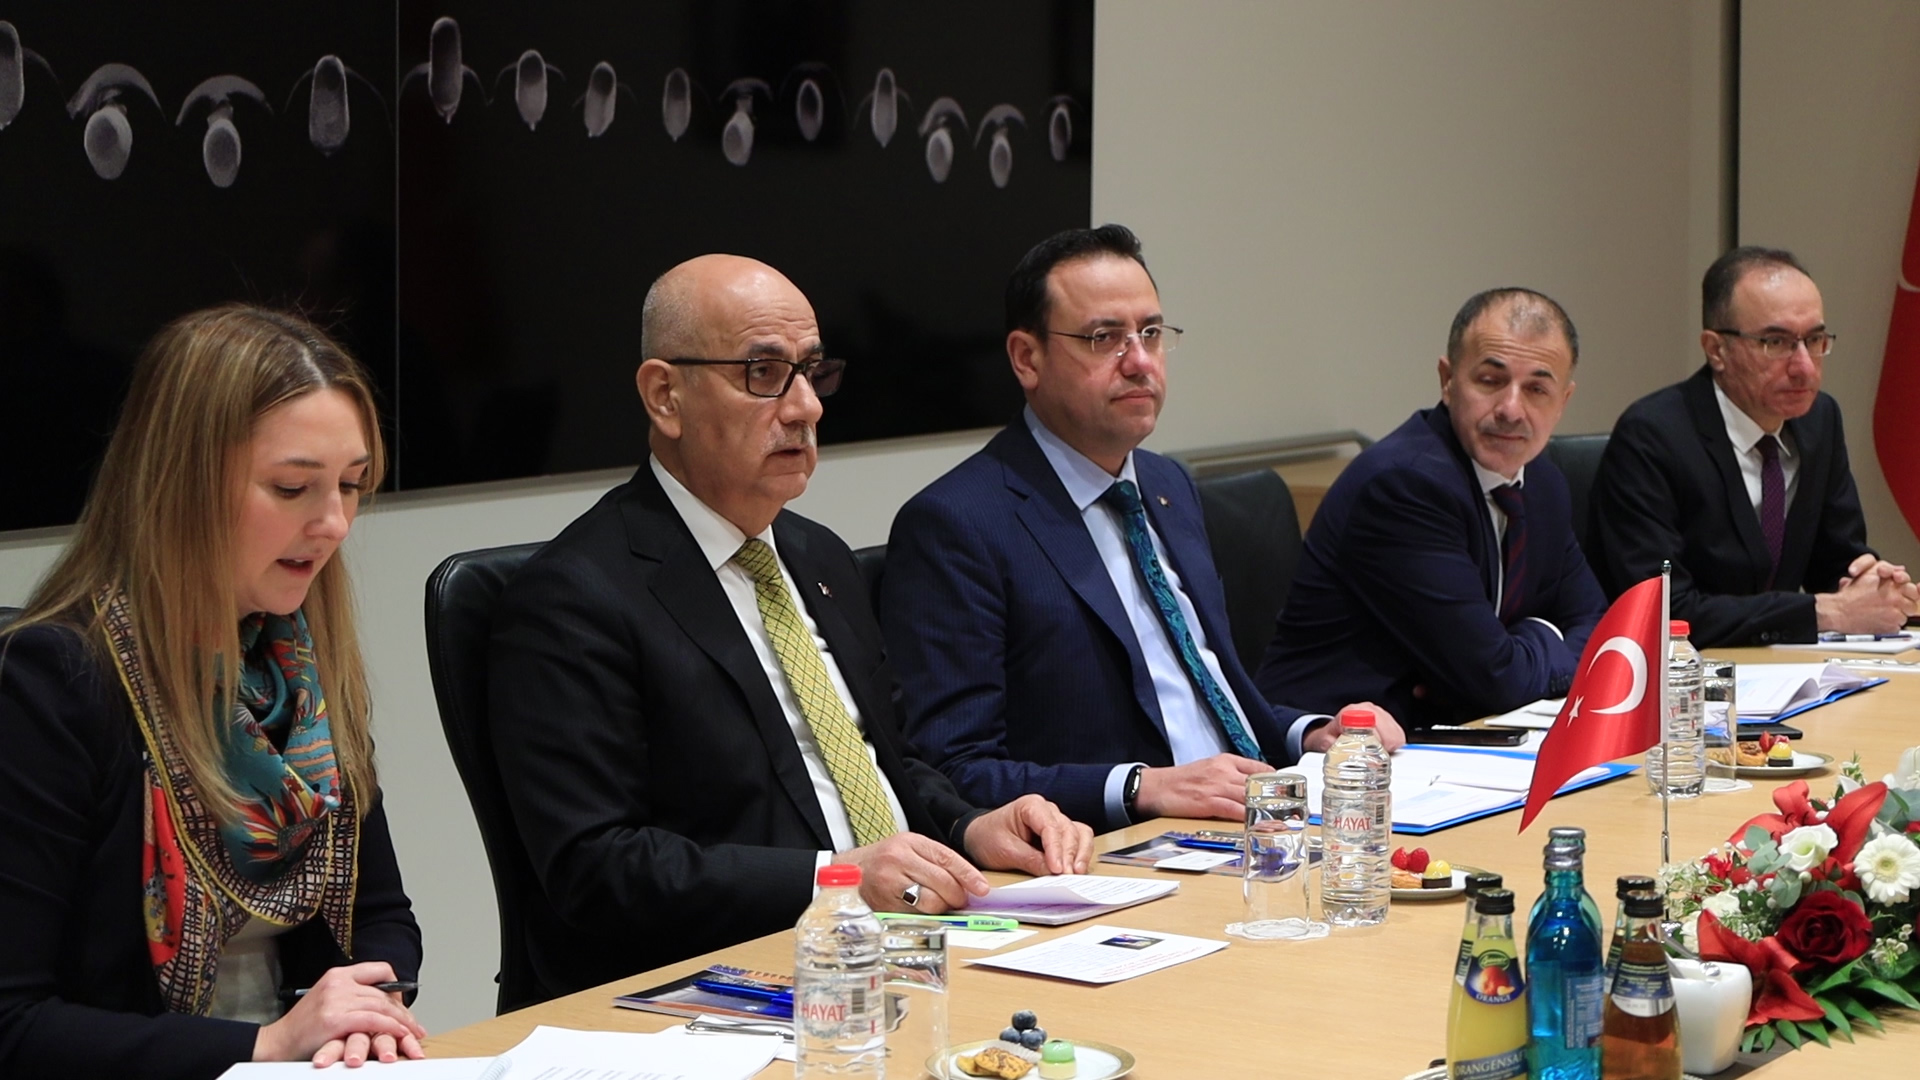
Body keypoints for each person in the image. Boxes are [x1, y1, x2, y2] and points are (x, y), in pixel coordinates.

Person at [487, 254, 1094, 1000]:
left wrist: (973, 826)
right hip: (722, 985)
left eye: (812, 371)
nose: (807, 407)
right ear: (665, 396)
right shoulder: (573, 599)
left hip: (898, 948)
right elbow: (597, 867)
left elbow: (886, 764)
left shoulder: (816, 554)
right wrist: (838, 878)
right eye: (765, 374)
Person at [0, 306, 426, 1079]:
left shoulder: (299, 664)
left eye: (352, 485)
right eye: (293, 487)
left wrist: (360, 1014)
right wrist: (268, 1046)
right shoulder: (52, 682)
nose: (334, 523)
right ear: (181, 484)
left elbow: (381, 915)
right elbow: (15, 1025)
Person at [881, 225, 1402, 833]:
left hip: (1259, 816)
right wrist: (1142, 787)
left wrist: (1310, 734)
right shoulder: (957, 524)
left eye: (1151, 334)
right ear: (1026, 358)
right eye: (1104, 338)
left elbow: (1205, 695)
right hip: (1127, 844)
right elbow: (954, 770)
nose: (1139, 362)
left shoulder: (1165, 483)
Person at [1257, 288, 1607, 730]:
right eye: (1490, 380)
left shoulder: (1542, 484)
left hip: (1457, 736)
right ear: (1447, 380)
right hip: (1341, 748)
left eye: (1537, 389)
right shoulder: (1405, 485)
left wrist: (1508, 656)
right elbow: (1497, 679)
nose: (1511, 409)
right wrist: (1537, 641)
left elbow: (1601, 631)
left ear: (1563, 402)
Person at [1589, 247, 1917, 647]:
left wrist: (1876, 587)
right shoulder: (1652, 436)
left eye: (1815, 340)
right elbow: (1664, 611)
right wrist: (1825, 612)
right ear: (1716, 350)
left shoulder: (1819, 420)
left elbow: (1835, 563)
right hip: (1682, 672)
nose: (1804, 367)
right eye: (1775, 342)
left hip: (1782, 669)